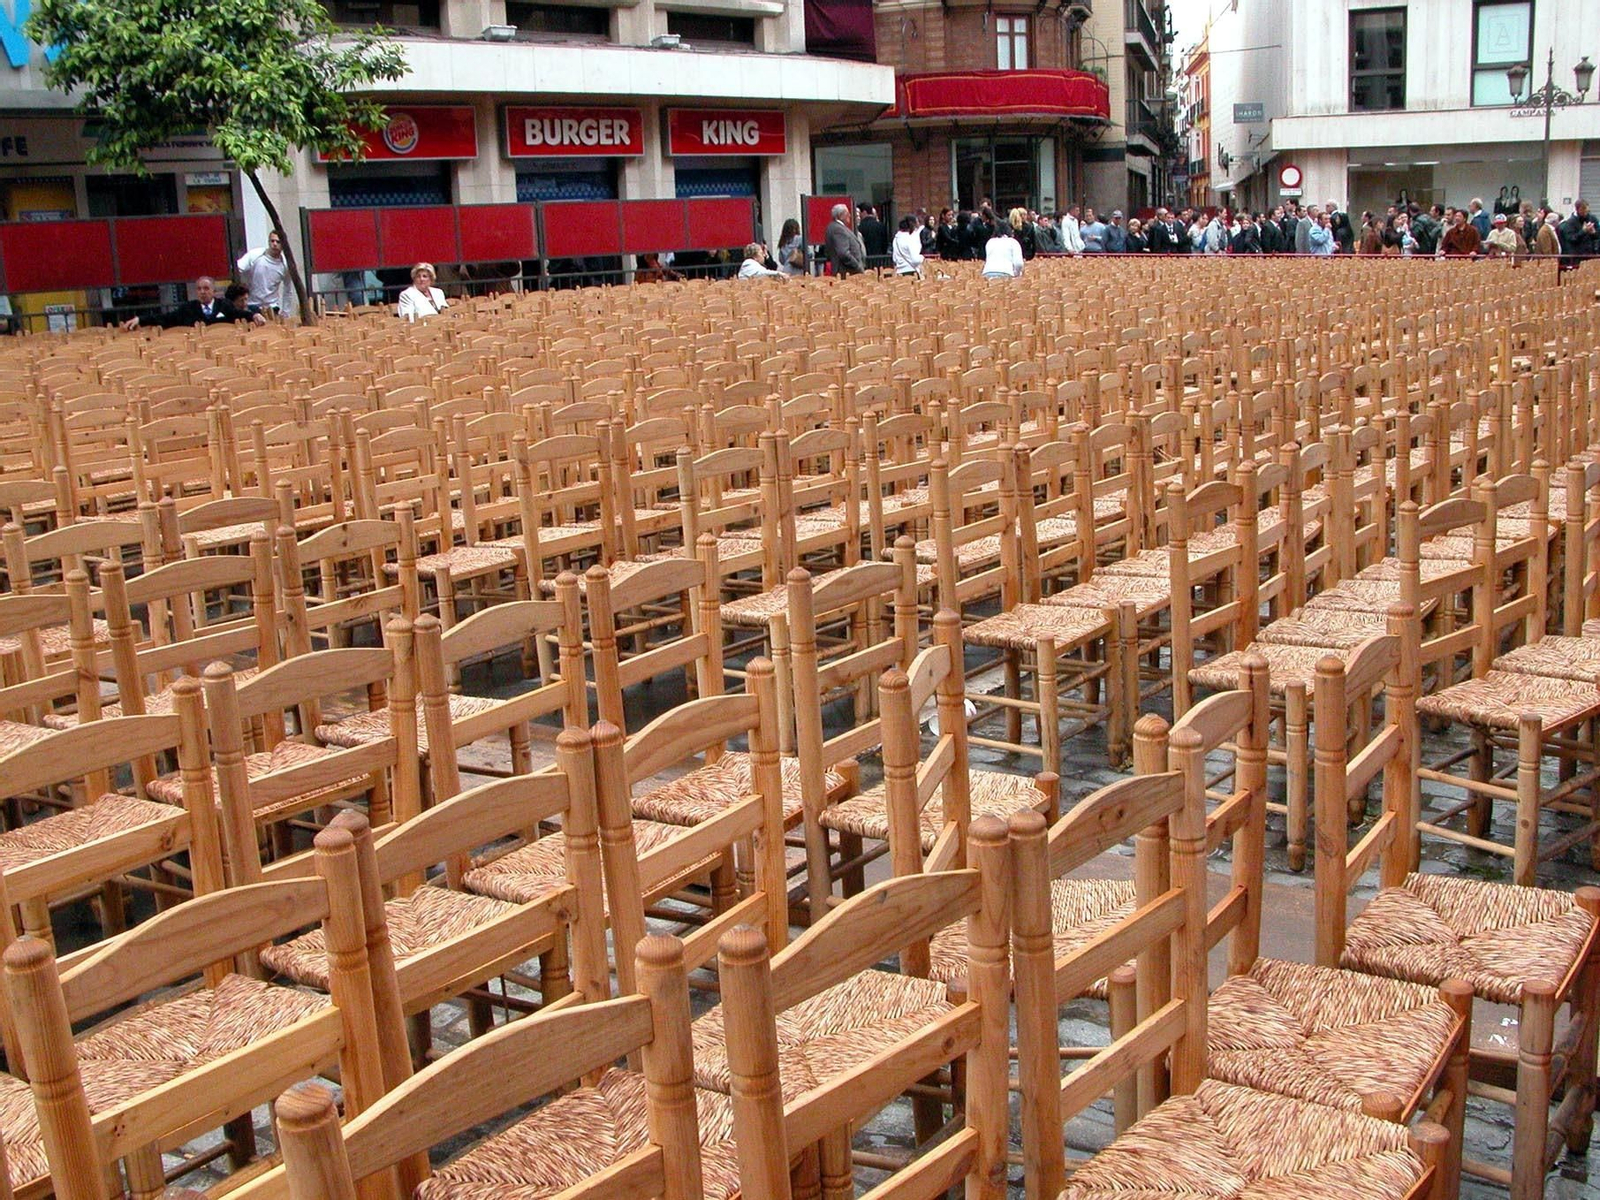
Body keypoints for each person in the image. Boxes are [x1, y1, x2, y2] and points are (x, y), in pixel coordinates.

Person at [121, 275, 263, 330]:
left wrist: (254, 315)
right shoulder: (188, 308)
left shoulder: (224, 305)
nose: (202, 292)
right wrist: (141, 319)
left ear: (213, 291)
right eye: (199, 289)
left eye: (206, 288)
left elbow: (238, 314)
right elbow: (166, 318)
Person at [236, 230, 294, 316]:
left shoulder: (285, 265)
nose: (274, 244)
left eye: (278, 242)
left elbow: (288, 290)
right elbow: (238, 269)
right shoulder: (255, 255)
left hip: (272, 307)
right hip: (252, 305)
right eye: (272, 241)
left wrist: (285, 312)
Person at [823, 204, 866, 276]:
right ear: (841, 216)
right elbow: (843, 253)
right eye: (847, 213)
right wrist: (857, 266)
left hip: (847, 272)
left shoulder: (836, 227)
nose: (849, 215)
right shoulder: (838, 229)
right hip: (846, 272)